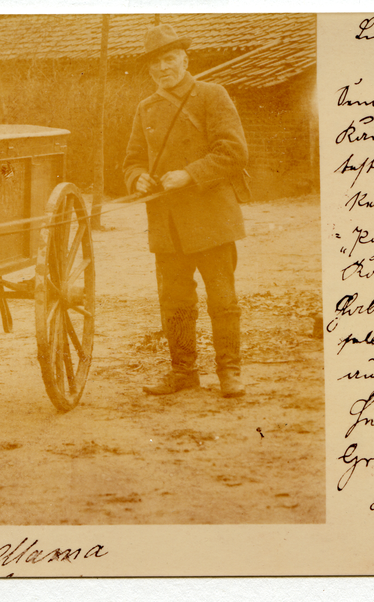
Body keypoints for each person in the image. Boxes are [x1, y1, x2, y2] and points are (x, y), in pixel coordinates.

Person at [123, 24, 249, 398]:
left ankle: (229, 372)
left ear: (184, 59)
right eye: (155, 63)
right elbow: (130, 161)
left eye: (169, 59)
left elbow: (234, 152)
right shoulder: (145, 108)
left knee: (223, 299)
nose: (163, 68)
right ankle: (183, 372)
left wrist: (189, 174)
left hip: (211, 217)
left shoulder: (212, 95)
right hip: (167, 223)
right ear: (149, 70)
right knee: (175, 303)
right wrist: (138, 179)